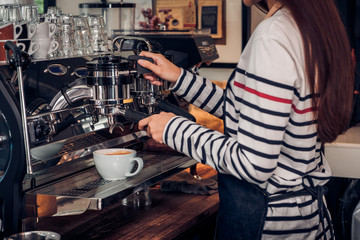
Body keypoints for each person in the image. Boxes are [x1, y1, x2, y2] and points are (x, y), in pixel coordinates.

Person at [137, 0, 354, 239]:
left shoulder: (272, 36)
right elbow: (249, 113)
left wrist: (173, 129)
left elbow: (254, 164)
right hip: (307, 219)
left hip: (269, 223)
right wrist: (180, 78)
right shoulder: (306, 26)